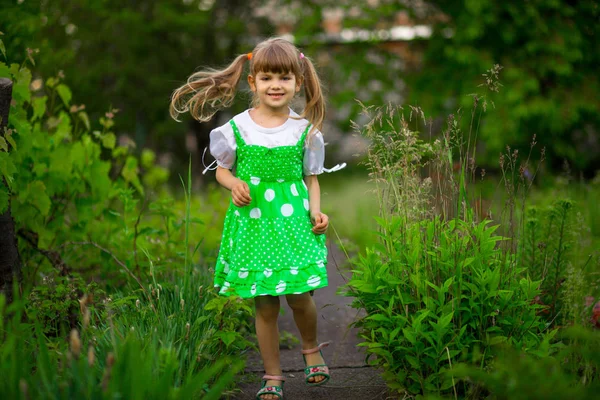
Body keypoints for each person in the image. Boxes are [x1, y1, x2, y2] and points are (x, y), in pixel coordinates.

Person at [170, 38, 344, 400]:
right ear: (253, 83)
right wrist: (233, 183)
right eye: (266, 78)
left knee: (299, 295)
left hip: (293, 224)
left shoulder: (303, 131)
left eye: (283, 78)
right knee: (264, 304)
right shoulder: (237, 128)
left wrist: (317, 211)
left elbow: (312, 179)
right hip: (253, 225)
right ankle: (273, 375)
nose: (275, 86)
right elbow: (221, 171)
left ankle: (311, 349)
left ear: (297, 82)